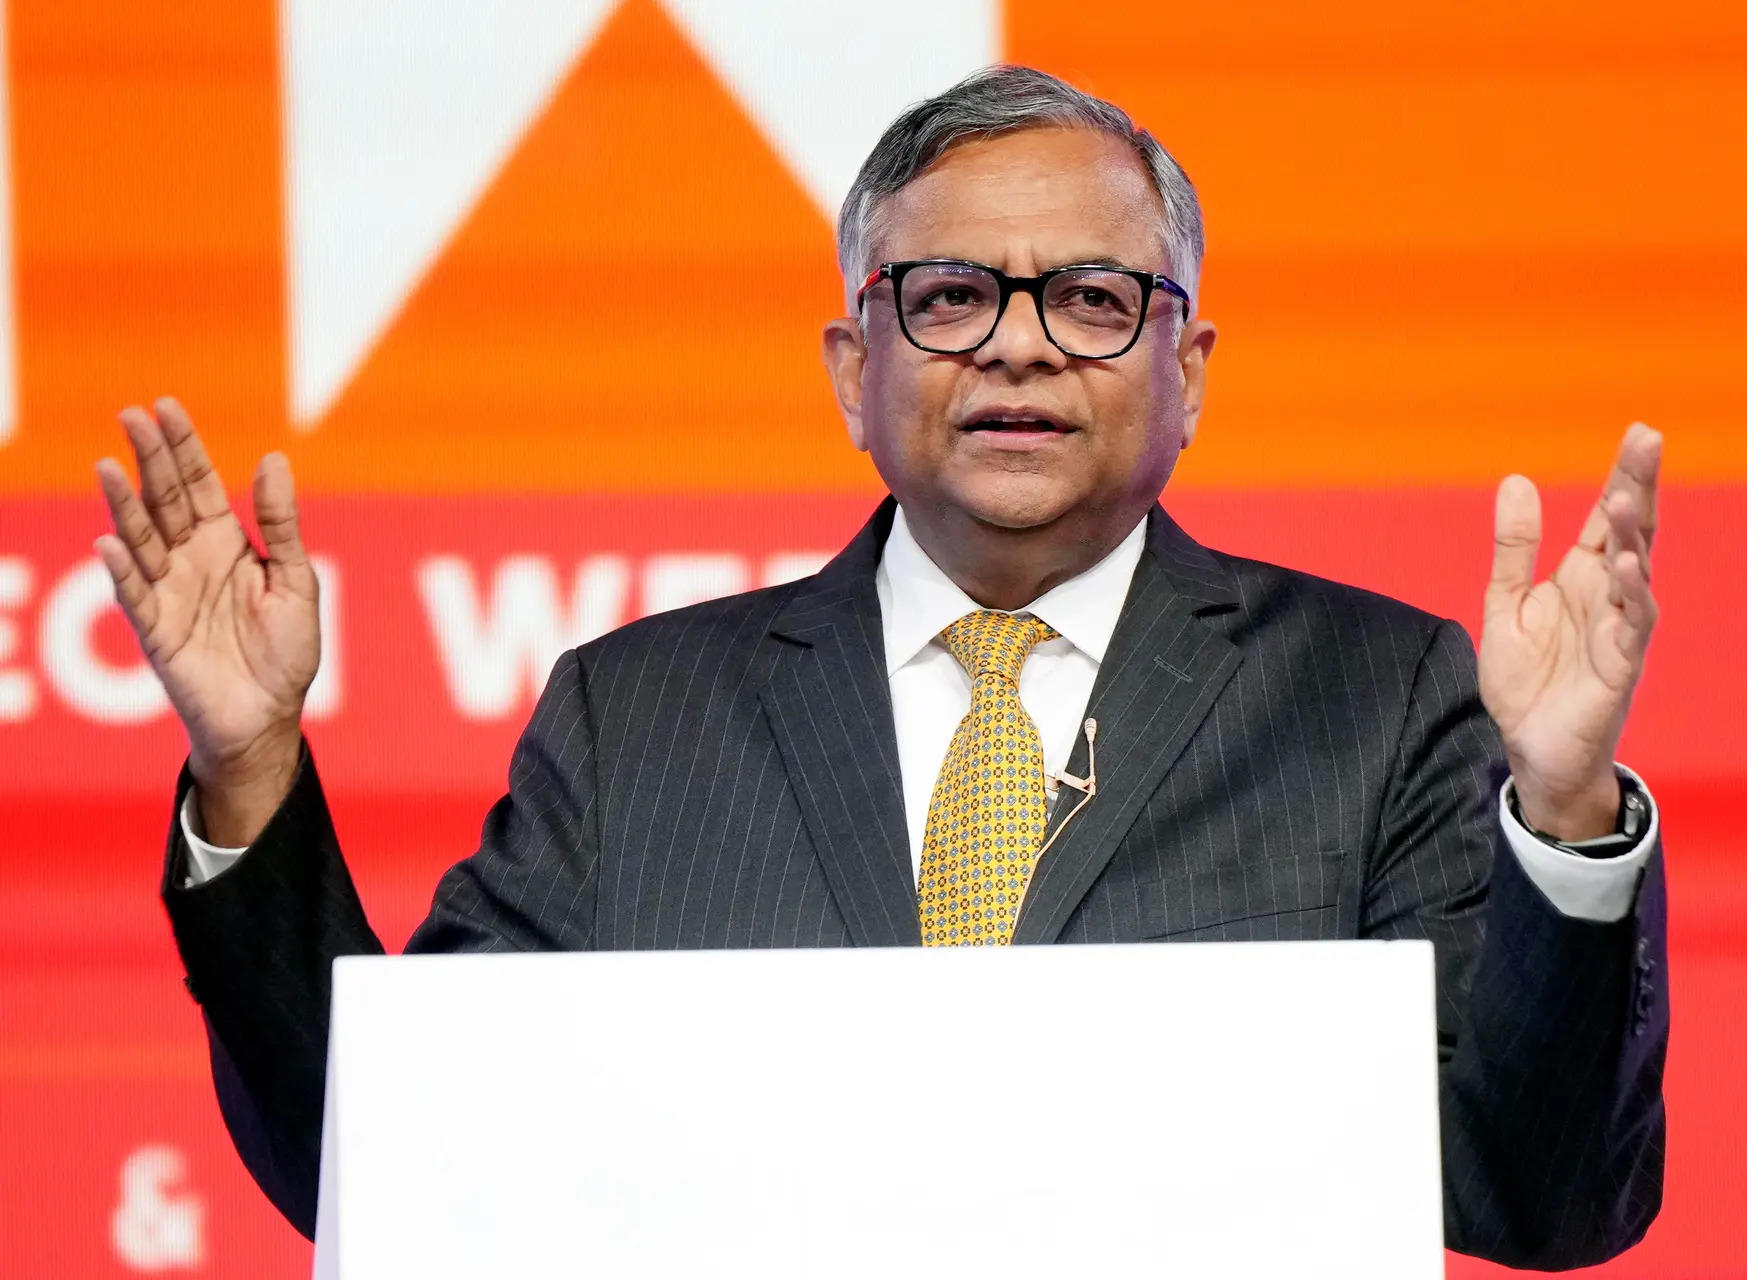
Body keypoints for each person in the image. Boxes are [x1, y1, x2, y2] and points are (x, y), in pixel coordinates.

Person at [94, 67, 1666, 1268]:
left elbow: (1546, 1195)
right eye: (953, 296)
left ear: (1189, 373)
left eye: (1095, 300)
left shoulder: (1373, 695)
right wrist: (249, 773)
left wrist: (1567, 802)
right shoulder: (636, 720)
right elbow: (379, 1163)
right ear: (859, 369)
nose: (1021, 344)